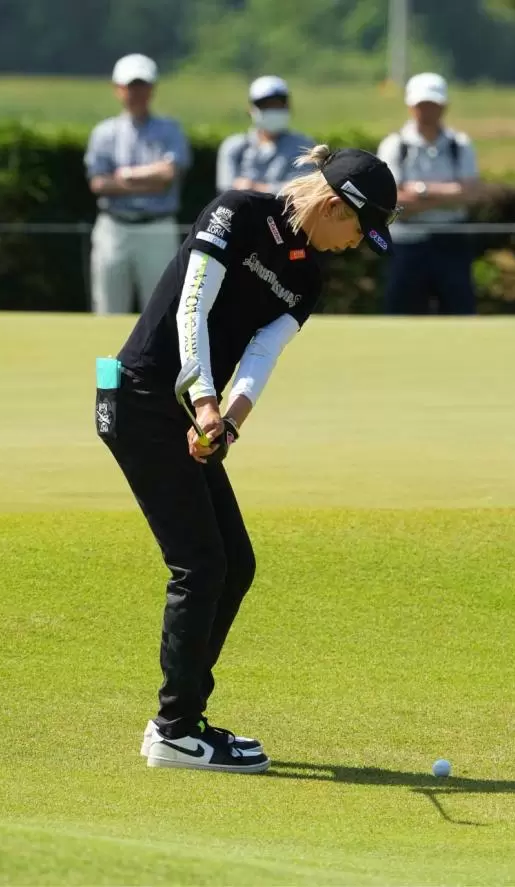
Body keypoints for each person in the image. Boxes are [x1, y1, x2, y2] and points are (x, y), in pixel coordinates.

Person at [96, 145, 399, 773]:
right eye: (357, 231)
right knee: (201, 564)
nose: (354, 246)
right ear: (334, 206)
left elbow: (261, 356)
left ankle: (181, 720)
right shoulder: (237, 212)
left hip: (187, 410)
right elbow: (193, 309)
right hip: (143, 396)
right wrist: (204, 402)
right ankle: (176, 731)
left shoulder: (309, 280)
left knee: (234, 563)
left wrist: (228, 422)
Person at [85, 54, 191, 315]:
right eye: (131, 86)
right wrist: (150, 181)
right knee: (108, 309)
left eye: (142, 86)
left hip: (157, 227)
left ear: (152, 89)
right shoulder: (104, 133)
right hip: (113, 228)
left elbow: (169, 174)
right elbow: (99, 183)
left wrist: (126, 176)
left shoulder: (170, 129)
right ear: (117, 89)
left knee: (161, 311)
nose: (137, 93)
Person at [377, 72, 482, 315]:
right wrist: (449, 195)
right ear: (410, 106)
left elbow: (470, 194)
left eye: (432, 104)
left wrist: (420, 191)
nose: (426, 110)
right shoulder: (394, 145)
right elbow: (392, 201)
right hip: (406, 243)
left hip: (451, 241)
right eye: (421, 104)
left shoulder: (460, 144)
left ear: (444, 106)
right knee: (401, 315)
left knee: (460, 313)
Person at [216, 76, 313, 194]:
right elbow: (226, 189)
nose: (272, 110)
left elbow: (302, 189)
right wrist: (276, 189)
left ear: (288, 107)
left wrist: (255, 187)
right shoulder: (233, 146)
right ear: (250, 109)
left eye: (278, 105)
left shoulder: (304, 146)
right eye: (266, 106)